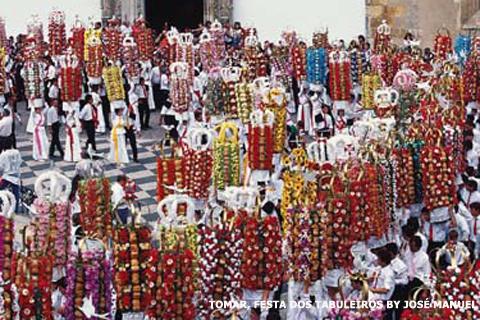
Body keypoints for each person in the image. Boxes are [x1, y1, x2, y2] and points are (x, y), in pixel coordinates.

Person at [125, 94, 140, 162]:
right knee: (123, 143)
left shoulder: (131, 108)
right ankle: (124, 157)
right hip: (124, 127)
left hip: (130, 127)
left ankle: (135, 157)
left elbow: (134, 118)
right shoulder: (121, 109)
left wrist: (137, 129)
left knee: (133, 143)